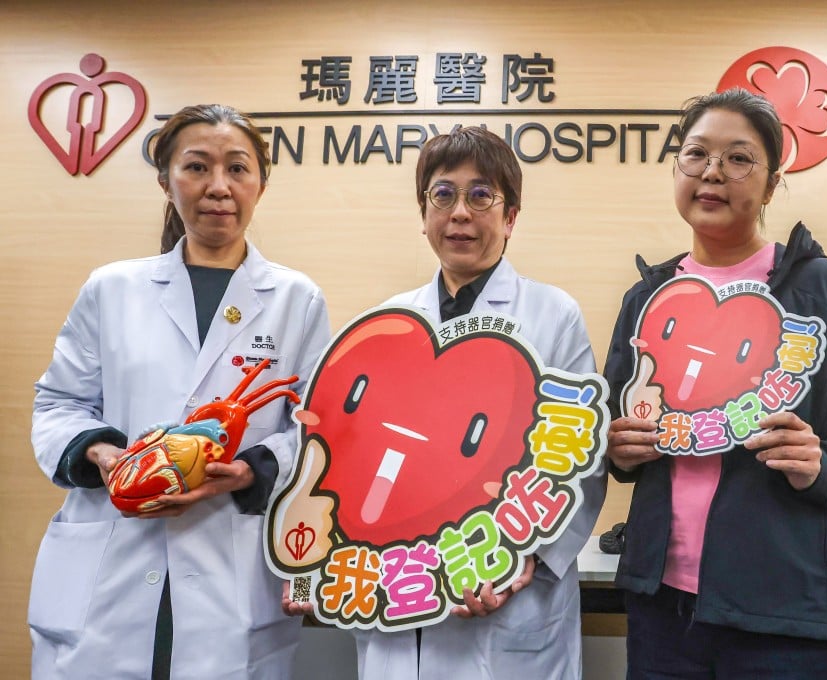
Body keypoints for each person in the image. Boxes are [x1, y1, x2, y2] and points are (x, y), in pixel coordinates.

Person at [603, 88, 827, 679]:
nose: (713, 174)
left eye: (739, 158)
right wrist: (619, 449)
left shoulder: (815, 287)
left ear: (772, 184)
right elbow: (616, 428)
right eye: (696, 155)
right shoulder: (648, 297)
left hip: (784, 613)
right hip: (662, 608)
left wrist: (821, 461)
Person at [283, 126, 605, 679]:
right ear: (423, 211)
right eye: (444, 194)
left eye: (482, 196)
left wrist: (525, 555)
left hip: (503, 599)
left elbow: (580, 460)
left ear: (510, 217)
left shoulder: (553, 315)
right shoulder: (387, 323)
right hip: (397, 592)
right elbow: (346, 457)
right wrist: (320, 555)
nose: (460, 213)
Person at [29, 104, 332, 679]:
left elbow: (316, 429)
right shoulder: (112, 289)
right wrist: (104, 455)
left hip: (229, 565)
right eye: (197, 167)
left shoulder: (298, 300)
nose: (218, 187)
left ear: (260, 185)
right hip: (111, 567)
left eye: (237, 169)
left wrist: (250, 470)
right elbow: (58, 403)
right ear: (166, 181)